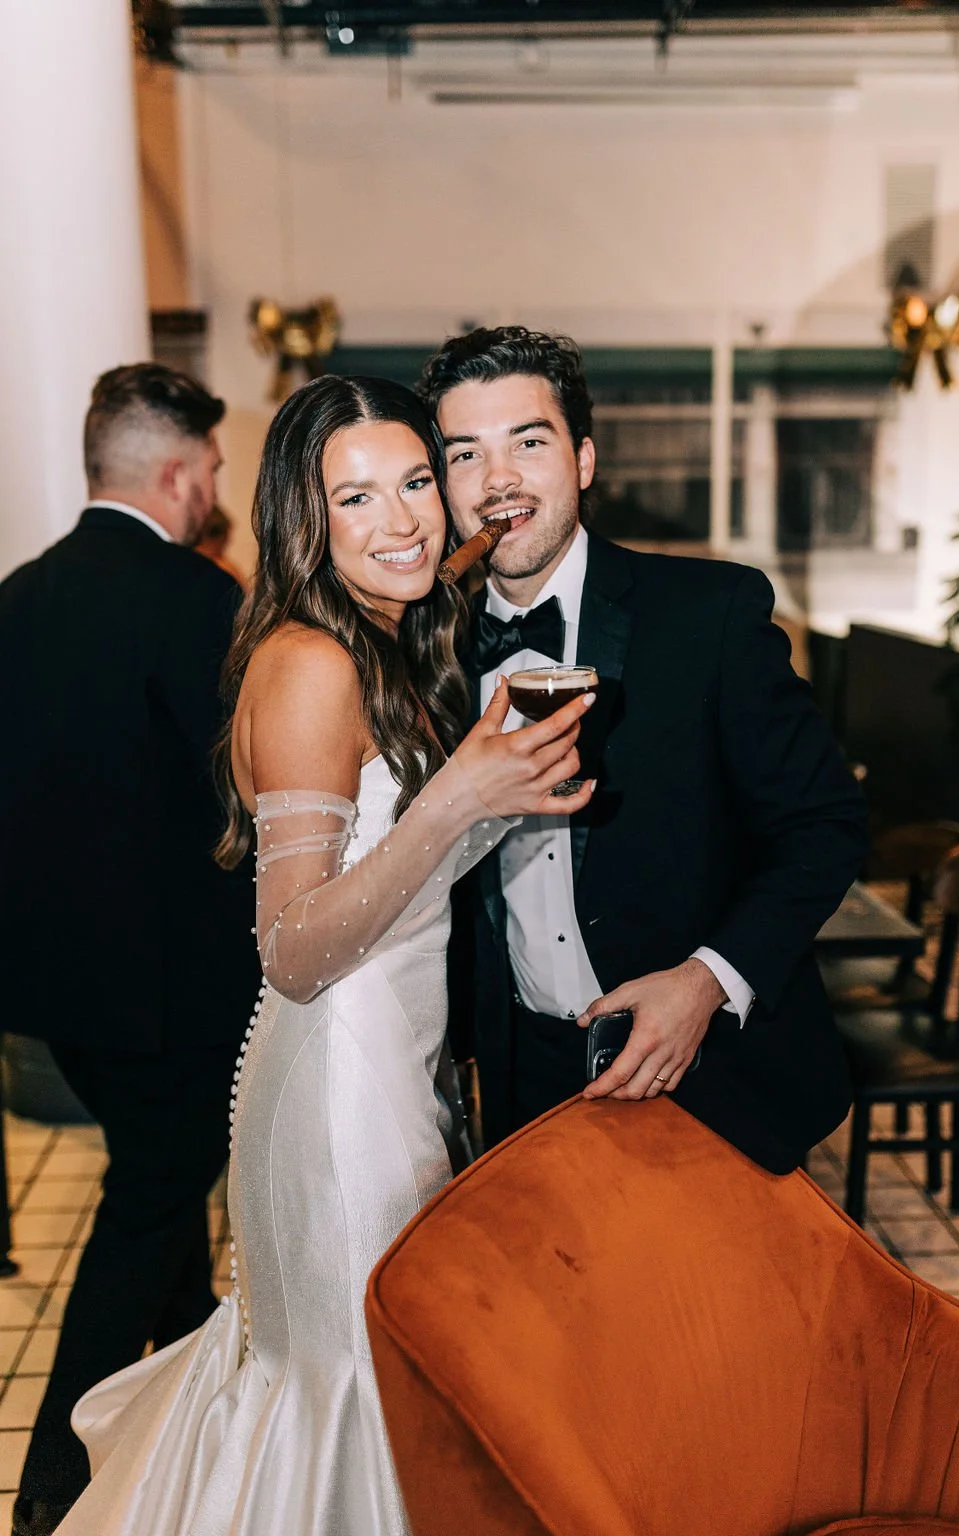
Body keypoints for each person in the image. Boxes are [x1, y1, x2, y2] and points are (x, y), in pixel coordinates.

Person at [52, 375, 593, 1536]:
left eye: (414, 483)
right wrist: (459, 798)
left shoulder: (377, 633)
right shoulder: (311, 665)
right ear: (306, 518)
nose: (401, 522)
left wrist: (497, 779)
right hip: (341, 1091)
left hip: (395, 1067)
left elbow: (424, 579)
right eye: (356, 498)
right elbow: (291, 948)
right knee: (350, 1396)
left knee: (381, 1382)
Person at [419, 326, 869, 1175]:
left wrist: (705, 982)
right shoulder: (427, 657)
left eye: (528, 441)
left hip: (709, 1075)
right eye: (465, 454)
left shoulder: (712, 613)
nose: (498, 479)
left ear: (583, 460)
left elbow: (826, 824)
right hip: (523, 1087)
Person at [0, 364, 261, 1536]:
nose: (215, 489)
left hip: (55, 991)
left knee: (161, 1185)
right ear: (174, 472)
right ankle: (57, 1469)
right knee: (151, 1202)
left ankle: (160, 1412)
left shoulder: (16, 597)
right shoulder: (199, 601)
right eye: (210, 469)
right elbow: (249, 786)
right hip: (177, 989)